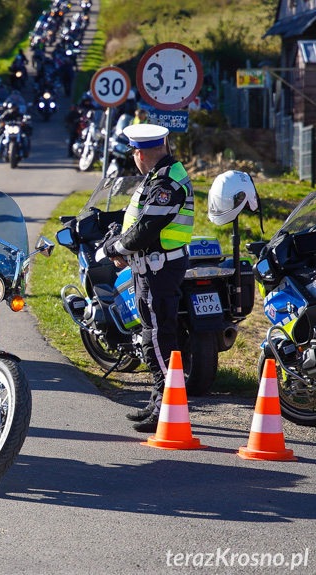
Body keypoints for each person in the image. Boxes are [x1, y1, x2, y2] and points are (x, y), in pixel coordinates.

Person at [101, 124, 194, 433]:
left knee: (156, 337)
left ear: (139, 154)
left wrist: (116, 247)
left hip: (158, 268)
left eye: (133, 154)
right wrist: (119, 239)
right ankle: (159, 402)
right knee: (155, 333)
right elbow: (139, 220)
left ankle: (166, 406)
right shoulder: (161, 176)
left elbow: (147, 228)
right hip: (153, 266)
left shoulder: (167, 182)